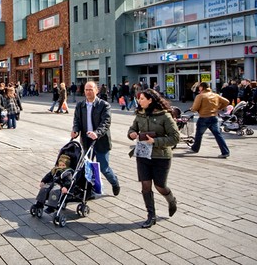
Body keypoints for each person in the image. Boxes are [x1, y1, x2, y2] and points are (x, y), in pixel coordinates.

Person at [127, 89, 180, 228]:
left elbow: (175, 138)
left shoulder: (165, 116)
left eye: (142, 98)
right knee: (145, 185)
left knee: (160, 186)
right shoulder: (140, 114)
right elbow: (132, 129)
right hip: (143, 155)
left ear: (150, 100)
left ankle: (171, 200)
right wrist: (132, 134)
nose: (139, 101)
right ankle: (151, 215)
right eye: (139, 98)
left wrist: (155, 141)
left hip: (161, 156)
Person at [71, 81, 120, 196]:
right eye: (86, 90)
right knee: (84, 166)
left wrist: (97, 133)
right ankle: (87, 189)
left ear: (96, 91)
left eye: (91, 89)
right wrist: (75, 130)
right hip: (86, 140)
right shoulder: (80, 105)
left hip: (100, 140)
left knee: (104, 167)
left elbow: (106, 122)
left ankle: (114, 182)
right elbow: (77, 120)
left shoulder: (104, 105)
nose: (88, 92)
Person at [189, 82, 231, 157]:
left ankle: (195, 148)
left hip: (203, 117)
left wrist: (192, 109)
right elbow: (227, 102)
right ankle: (225, 152)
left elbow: (195, 108)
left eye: (199, 87)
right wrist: (219, 108)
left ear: (202, 88)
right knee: (218, 135)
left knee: (199, 134)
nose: (199, 89)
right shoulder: (215, 95)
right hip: (214, 117)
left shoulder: (200, 96)